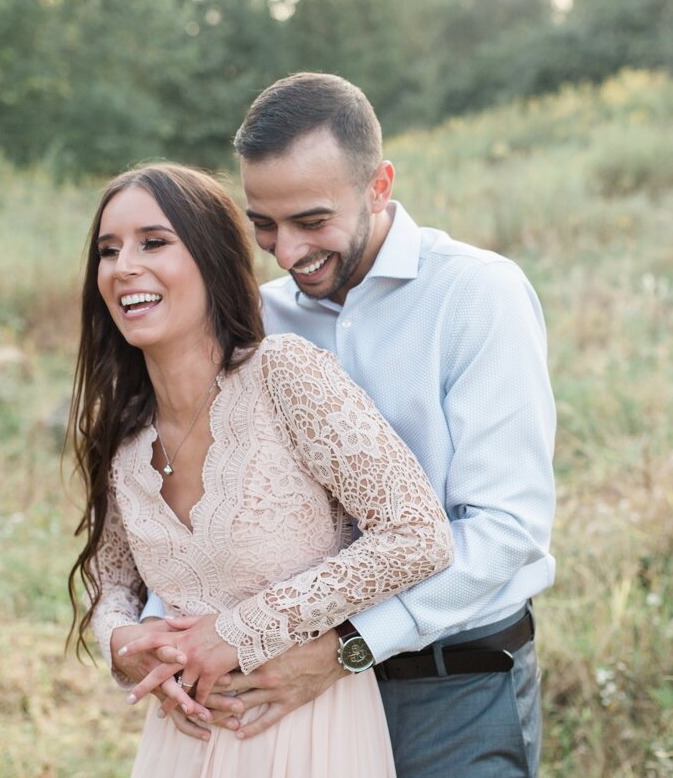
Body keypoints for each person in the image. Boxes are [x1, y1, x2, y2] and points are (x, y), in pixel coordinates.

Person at [120, 73, 557, 777]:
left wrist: (346, 648)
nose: (286, 252)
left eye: (312, 221)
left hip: (453, 688)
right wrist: (163, 624)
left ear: (379, 185)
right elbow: (204, 486)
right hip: (285, 699)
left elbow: (505, 529)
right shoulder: (253, 321)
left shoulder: (477, 295)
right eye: (263, 223)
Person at [67, 162, 455, 777]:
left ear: (213, 259)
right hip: (181, 745)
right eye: (108, 251)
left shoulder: (285, 376)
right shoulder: (123, 429)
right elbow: (111, 579)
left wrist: (243, 630)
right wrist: (121, 643)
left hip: (307, 735)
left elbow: (417, 534)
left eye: (154, 242)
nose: (124, 266)